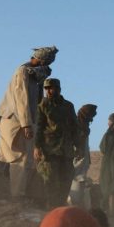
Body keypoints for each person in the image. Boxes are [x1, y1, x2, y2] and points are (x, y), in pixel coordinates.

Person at [0, 46, 58, 200]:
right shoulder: (23, 72)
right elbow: (21, 100)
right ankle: (16, 196)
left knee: (24, 160)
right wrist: (26, 124)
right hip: (16, 122)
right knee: (19, 160)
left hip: (23, 121)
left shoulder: (33, 74)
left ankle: (11, 195)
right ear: (42, 60)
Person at [34, 78, 79, 209]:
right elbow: (39, 127)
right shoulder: (43, 105)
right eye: (46, 89)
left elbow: (74, 127)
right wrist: (37, 146)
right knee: (51, 181)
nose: (48, 91)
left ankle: (60, 207)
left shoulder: (68, 106)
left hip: (66, 150)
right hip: (50, 150)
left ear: (58, 89)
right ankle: (52, 210)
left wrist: (79, 146)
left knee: (66, 180)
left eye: (51, 88)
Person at [69, 104, 97, 208]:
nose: (91, 120)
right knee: (75, 191)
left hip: (82, 163)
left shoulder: (84, 127)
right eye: (90, 117)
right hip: (76, 163)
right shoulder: (76, 126)